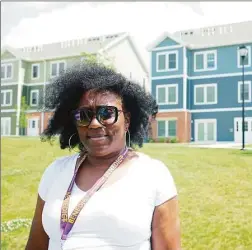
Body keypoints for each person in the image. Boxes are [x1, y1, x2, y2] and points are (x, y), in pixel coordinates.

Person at [25, 63, 181, 250]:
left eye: (106, 113)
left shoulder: (153, 174)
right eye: (84, 115)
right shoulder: (55, 172)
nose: (94, 124)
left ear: (128, 120)